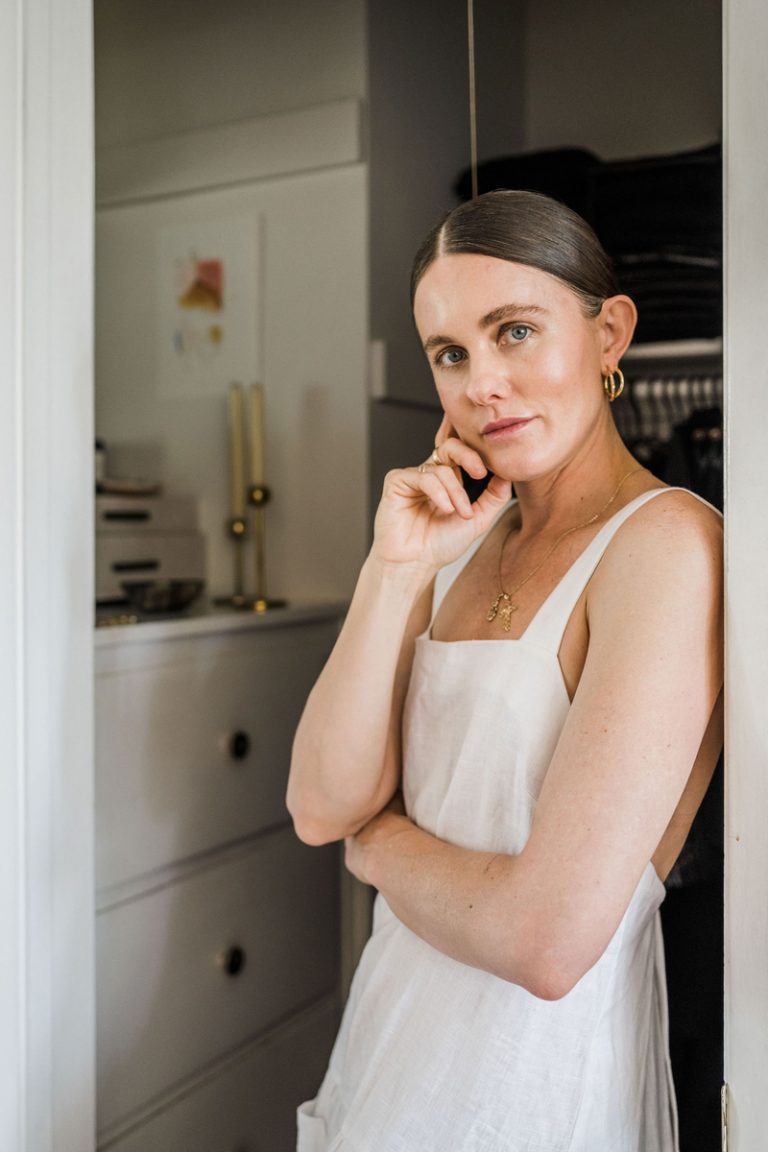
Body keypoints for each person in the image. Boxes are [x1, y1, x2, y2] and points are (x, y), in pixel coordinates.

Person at [287, 190, 723, 1152]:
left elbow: (547, 941)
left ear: (609, 333)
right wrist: (395, 566)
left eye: (515, 331)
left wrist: (379, 849)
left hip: (534, 1084)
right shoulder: (453, 540)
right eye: (450, 353)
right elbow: (321, 804)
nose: (482, 383)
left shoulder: (667, 547)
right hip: (393, 1039)